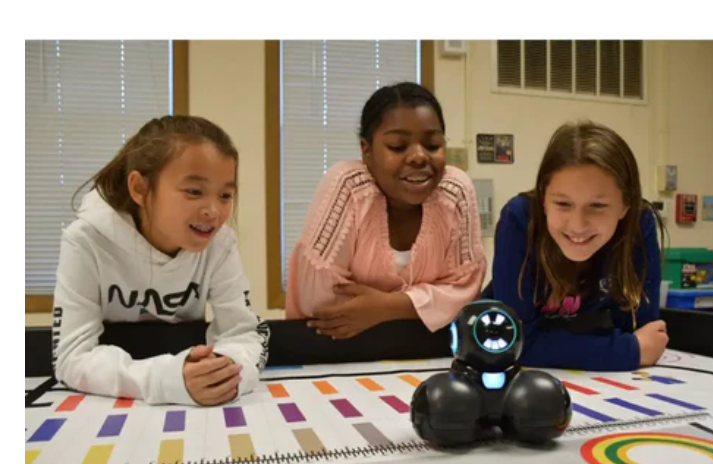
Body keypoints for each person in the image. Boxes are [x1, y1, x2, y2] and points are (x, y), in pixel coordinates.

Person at [52, 115, 270, 406]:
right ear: (139, 188)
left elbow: (244, 332)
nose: (213, 211)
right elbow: (71, 358)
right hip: (117, 406)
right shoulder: (86, 240)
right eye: (194, 192)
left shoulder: (221, 245)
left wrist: (222, 372)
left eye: (225, 195)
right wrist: (166, 380)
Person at [285, 82, 487, 339]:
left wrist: (386, 307)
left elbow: (465, 290)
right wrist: (427, 304)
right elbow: (319, 303)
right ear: (366, 150)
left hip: (431, 350)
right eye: (397, 146)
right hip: (336, 348)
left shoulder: (455, 191)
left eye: (432, 145)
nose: (419, 156)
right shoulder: (348, 186)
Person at [485, 120, 668, 371]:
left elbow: (648, 335)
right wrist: (627, 350)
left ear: (626, 205)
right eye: (563, 204)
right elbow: (514, 341)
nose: (578, 225)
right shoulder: (520, 219)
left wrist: (550, 345)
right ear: (543, 200)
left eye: (598, 206)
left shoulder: (638, 223)